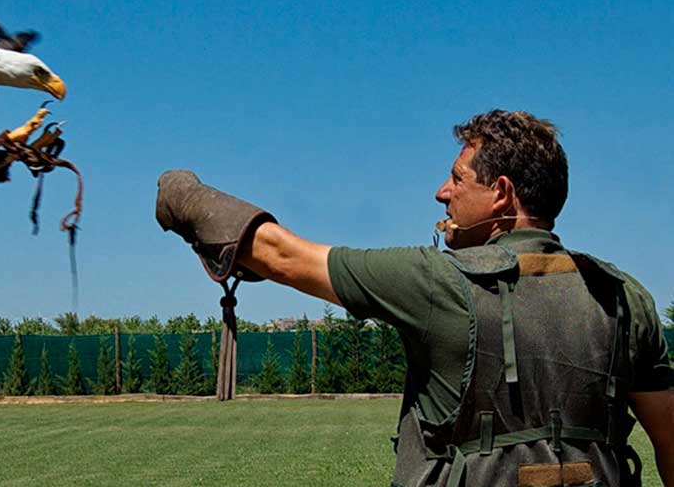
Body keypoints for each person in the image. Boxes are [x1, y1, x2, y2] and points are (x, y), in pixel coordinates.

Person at [156, 110, 673, 487]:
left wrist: (182, 193)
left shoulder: (436, 281)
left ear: (501, 193)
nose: (440, 192)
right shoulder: (626, 297)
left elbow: (282, 256)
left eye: (456, 178)